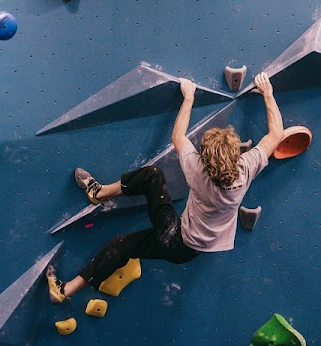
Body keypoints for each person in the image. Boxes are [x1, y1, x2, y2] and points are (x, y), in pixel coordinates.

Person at [47, 72, 284, 301]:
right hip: (193, 249)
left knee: (152, 176)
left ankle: (98, 194)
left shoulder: (198, 171)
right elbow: (276, 135)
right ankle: (65, 292)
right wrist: (269, 94)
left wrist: (189, 97)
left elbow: (178, 137)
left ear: (205, 160)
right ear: (236, 156)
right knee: (123, 246)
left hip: (176, 237)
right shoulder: (245, 170)